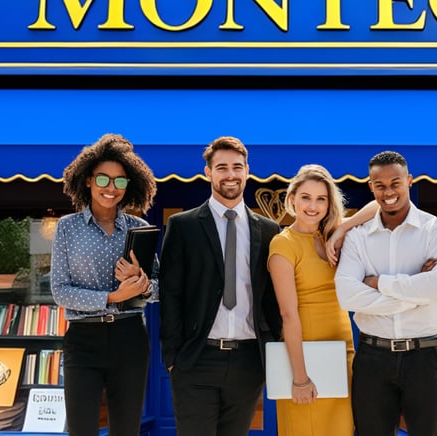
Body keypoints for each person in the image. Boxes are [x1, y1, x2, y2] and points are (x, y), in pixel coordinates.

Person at [159, 136, 283, 436]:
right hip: (196, 358)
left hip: (248, 359)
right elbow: (170, 293)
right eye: (222, 167)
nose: (231, 174)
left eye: (237, 167)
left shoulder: (269, 230)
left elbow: (274, 298)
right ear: (208, 172)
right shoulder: (183, 225)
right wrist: (173, 357)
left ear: (247, 171)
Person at [334, 150, 437, 436]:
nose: (388, 191)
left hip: (424, 357)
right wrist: (416, 294)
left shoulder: (436, 230)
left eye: (395, 183)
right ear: (371, 187)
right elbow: (347, 296)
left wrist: (380, 282)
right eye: (380, 185)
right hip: (372, 359)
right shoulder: (357, 237)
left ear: (409, 181)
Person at [50, 133, 158, 436]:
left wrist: (143, 284)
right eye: (103, 179)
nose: (111, 188)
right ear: (87, 180)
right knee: (81, 429)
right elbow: (60, 291)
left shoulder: (139, 229)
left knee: (126, 429)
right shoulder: (67, 227)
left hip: (130, 338)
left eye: (120, 181)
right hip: (83, 339)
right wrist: (113, 295)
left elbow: (159, 289)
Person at [267, 164, 355, 436]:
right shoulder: (283, 244)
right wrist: (301, 378)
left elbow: (376, 208)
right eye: (306, 197)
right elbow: (288, 315)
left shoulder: (330, 236)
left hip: (342, 353)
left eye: (321, 198)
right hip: (306, 357)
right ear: (292, 199)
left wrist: (341, 230)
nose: (313, 206)